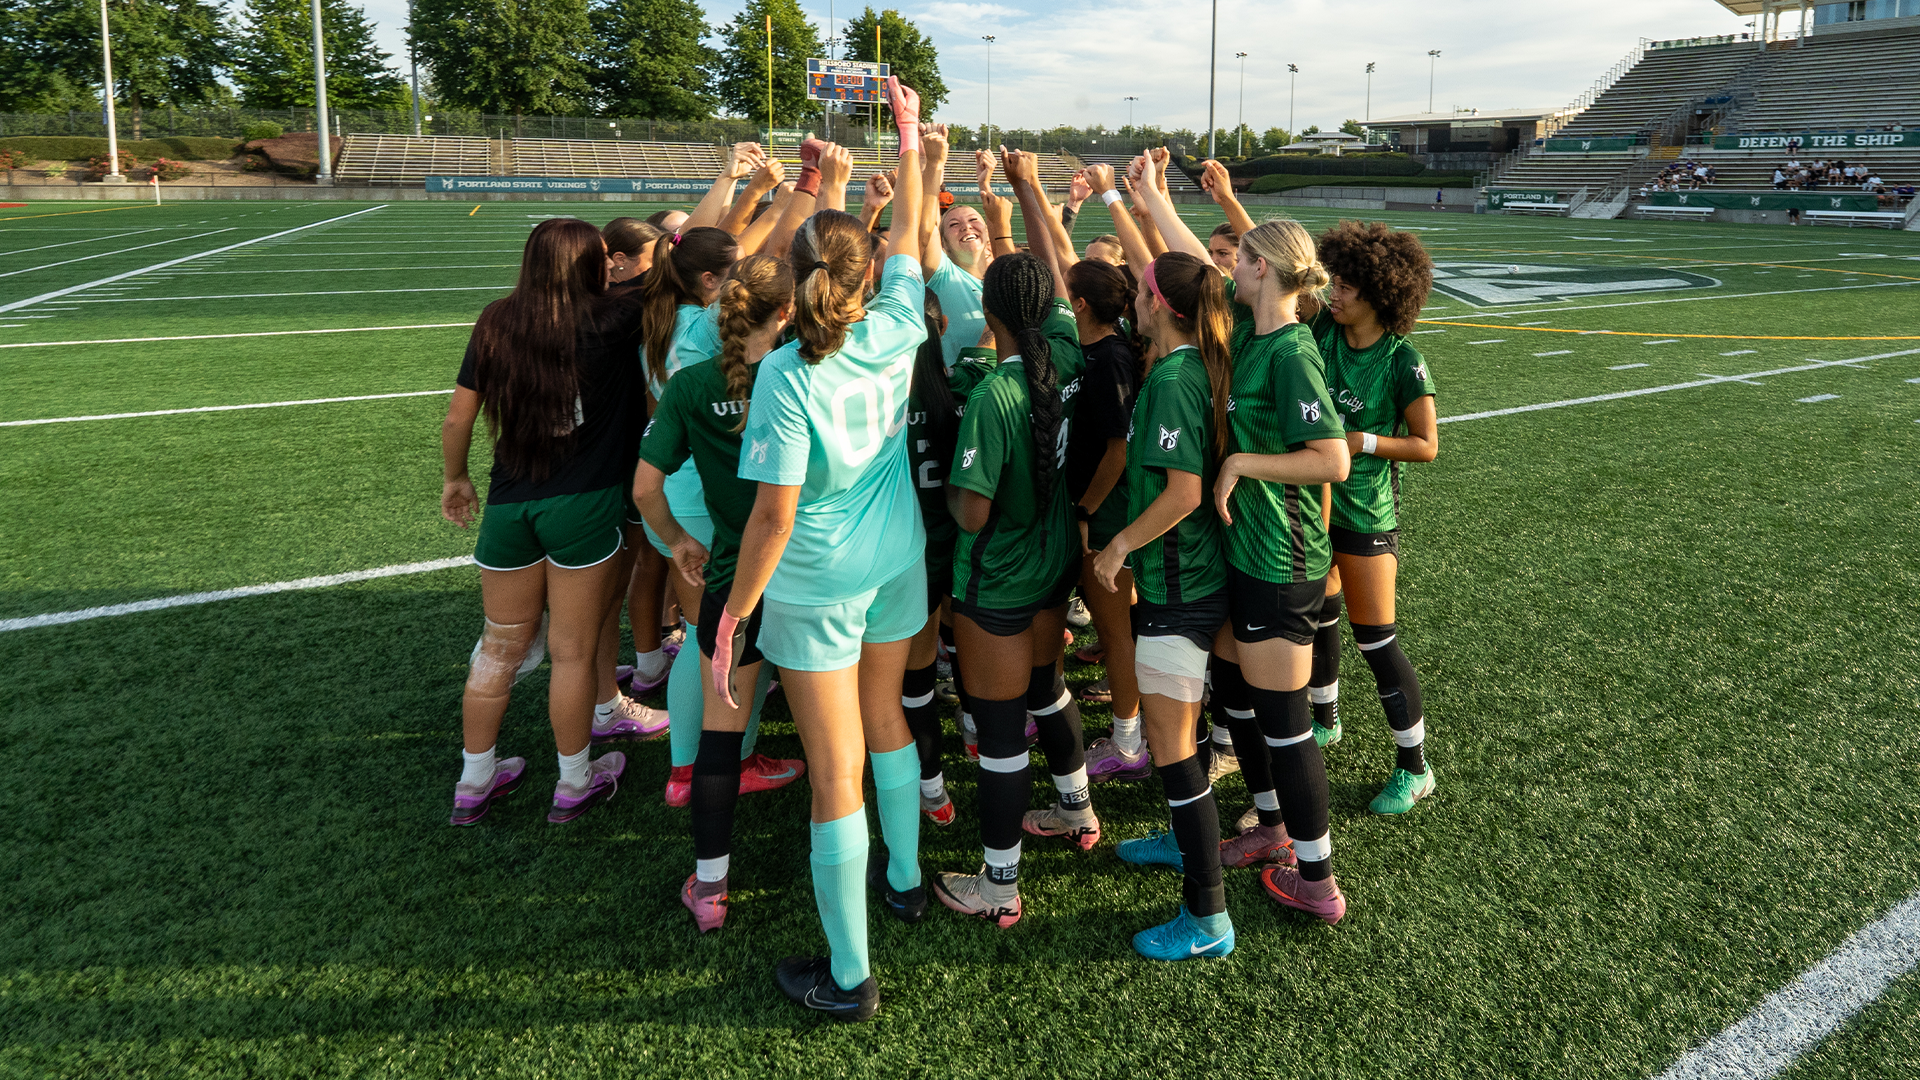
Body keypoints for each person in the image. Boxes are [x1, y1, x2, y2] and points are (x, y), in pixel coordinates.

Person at [721, 83, 930, 1021]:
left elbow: (772, 518)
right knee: (887, 717)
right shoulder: (895, 325)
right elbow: (916, 246)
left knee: (833, 770)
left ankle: (850, 977)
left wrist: (731, 616)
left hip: (818, 577)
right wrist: (914, 138)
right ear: (867, 269)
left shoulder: (783, 370)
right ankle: (908, 881)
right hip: (899, 557)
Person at [1130, 150, 1354, 925]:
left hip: (1280, 561)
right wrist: (1156, 196)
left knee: (1287, 727)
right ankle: (1266, 828)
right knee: (1239, 697)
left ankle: (1316, 878)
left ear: (1260, 268)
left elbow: (1332, 458)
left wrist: (1238, 466)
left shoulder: (1290, 350)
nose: (1229, 266)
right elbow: (1191, 265)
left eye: (1241, 258)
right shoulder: (1251, 330)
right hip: (1248, 559)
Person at [932, 149, 1097, 931]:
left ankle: (999, 884)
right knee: (1048, 690)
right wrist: (1028, 191)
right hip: (1054, 558)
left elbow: (968, 511)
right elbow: (1059, 275)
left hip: (998, 574)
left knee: (999, 734)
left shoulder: (994, 393)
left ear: (988, 316)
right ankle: (1077, 809)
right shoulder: (1064, 348)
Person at [440, 218, 643, 827]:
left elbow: (457, 419)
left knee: (497, 651)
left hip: (509, 507)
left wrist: (456, 479)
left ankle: (474, 782)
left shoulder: (496, 319)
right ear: (589, 263)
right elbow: (681, 259)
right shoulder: (612, 318)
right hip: (582, 504)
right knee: (573, 651)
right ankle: (574, 782)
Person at [637, 254, 808, 933]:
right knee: (836, 733)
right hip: (814, 579)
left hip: (738, 581)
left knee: (718, 741)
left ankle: (711, 886)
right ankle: (868, 867)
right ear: (788, 311)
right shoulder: (817, 372)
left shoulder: (689, 386)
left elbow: (645, 490)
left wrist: (679, 541)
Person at [1090, 248, 1238, 960]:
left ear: (1158, 303)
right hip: (1189, 582)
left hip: (1181, 588)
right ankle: (1182, 841)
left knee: (1176, 754)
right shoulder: (1184, 365)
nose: (1133, 295)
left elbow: (1181, 493)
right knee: (1179, 742)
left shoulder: (1178, 376)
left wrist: (1119, 546)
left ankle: (1207, 918)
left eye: (1142, 287)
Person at [1309, 222, 1440, 818]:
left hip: (1367, 515)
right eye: (1334, 280)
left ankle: (1415, 768)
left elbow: (1425, 445)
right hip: (1316, 505)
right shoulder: (1322, 332)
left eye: (1348, 286)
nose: (1335, 293)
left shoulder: (1402, 360)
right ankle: (1325, 719)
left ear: (1383, 293)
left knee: (1377, 640)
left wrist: (1361, 441)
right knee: (1318, 614)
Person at [1063, 258, 1145, 769]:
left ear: (1080, 303)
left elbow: (1119, 448)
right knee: (1118, 629)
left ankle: (1129, 742)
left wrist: (1085, 510)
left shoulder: (1111, 357)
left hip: (1106, 514)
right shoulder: (1089, 349)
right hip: (1092, 508)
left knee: (1118, 634)